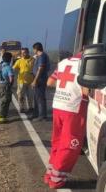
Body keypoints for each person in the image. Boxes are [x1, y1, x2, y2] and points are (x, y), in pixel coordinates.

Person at [44, 53, 88, 189]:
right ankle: (56, 179)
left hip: (58, 105)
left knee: (57, 141)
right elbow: (85, 91)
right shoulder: (86, 65)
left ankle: (50, 174)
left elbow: (50, 82)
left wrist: (66, 87)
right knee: (70, 144)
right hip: (73, 108)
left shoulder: (64, 62)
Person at [0, 52, 14, 124]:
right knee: (3, 101)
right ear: (10, 59)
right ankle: (1, 118)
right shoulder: (8, 67)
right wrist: (10, 84)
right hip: (5, 85)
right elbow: (11, 78)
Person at [31, 42, 50, 121]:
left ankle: (41, 115)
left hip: (40, 79)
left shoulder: (42, 56)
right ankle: (37, 114)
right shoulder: (39, 56)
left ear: (36, 49)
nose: (33, 51)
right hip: (39, 78)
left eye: (33, 49)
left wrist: (35, 80)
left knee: (40, 98)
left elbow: (40, 68)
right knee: (37, 97)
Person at [12, 48, 34, 112]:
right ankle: (21, 108)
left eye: (24, 52)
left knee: (30, 95)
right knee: (20, 95)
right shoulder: (19, 61)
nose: (23, 54)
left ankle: (30, 107)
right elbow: (13, 68)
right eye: (22, 53)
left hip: (31, 81)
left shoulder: (33, 60)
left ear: (28, 52)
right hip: (21, 81)